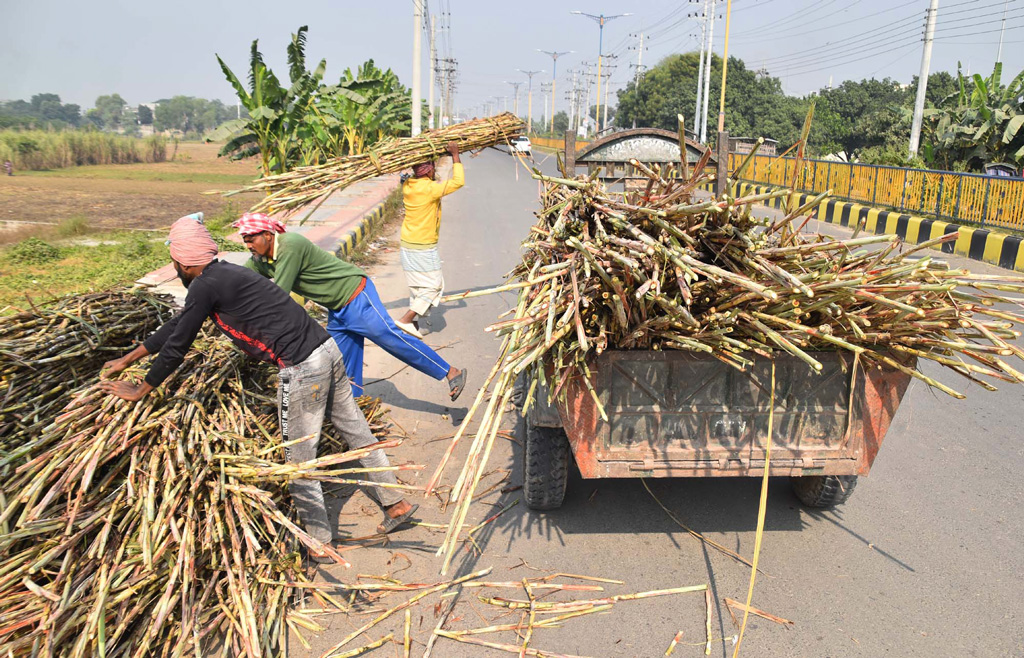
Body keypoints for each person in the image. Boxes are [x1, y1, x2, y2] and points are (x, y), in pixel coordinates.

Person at [98, 213, 418, 561]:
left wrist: (142, 388)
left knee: (298, 459)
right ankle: (396, 503)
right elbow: (178, 325)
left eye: (173, 260)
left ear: (182, 261)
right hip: (327, 349)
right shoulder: (228, 273)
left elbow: (179, 344)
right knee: (356, 431)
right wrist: (129, 358)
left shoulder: (206, 285)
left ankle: (320, 542)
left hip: (302, 368)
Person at [233, 213, 467, 401]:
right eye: (244, 241)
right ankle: (355, 407)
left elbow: (279, 295)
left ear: (267, 235)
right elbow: (240, 278)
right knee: (341, 364)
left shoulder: (290, 245)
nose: (248, 245)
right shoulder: (262, 260)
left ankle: (449, 371)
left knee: (389, 338)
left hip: (355, 295)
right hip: (337, 309)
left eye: (251, 239)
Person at [396, 140, 464, 337]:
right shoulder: (430, 189)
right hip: (423, 246)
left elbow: (418, 178)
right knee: (434, 286)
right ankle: (406, 319)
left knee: (418, 287)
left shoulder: (409, 185)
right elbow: (458, 182)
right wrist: (456, 156)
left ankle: (416, 325)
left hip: (407, 244)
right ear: (427, 171)